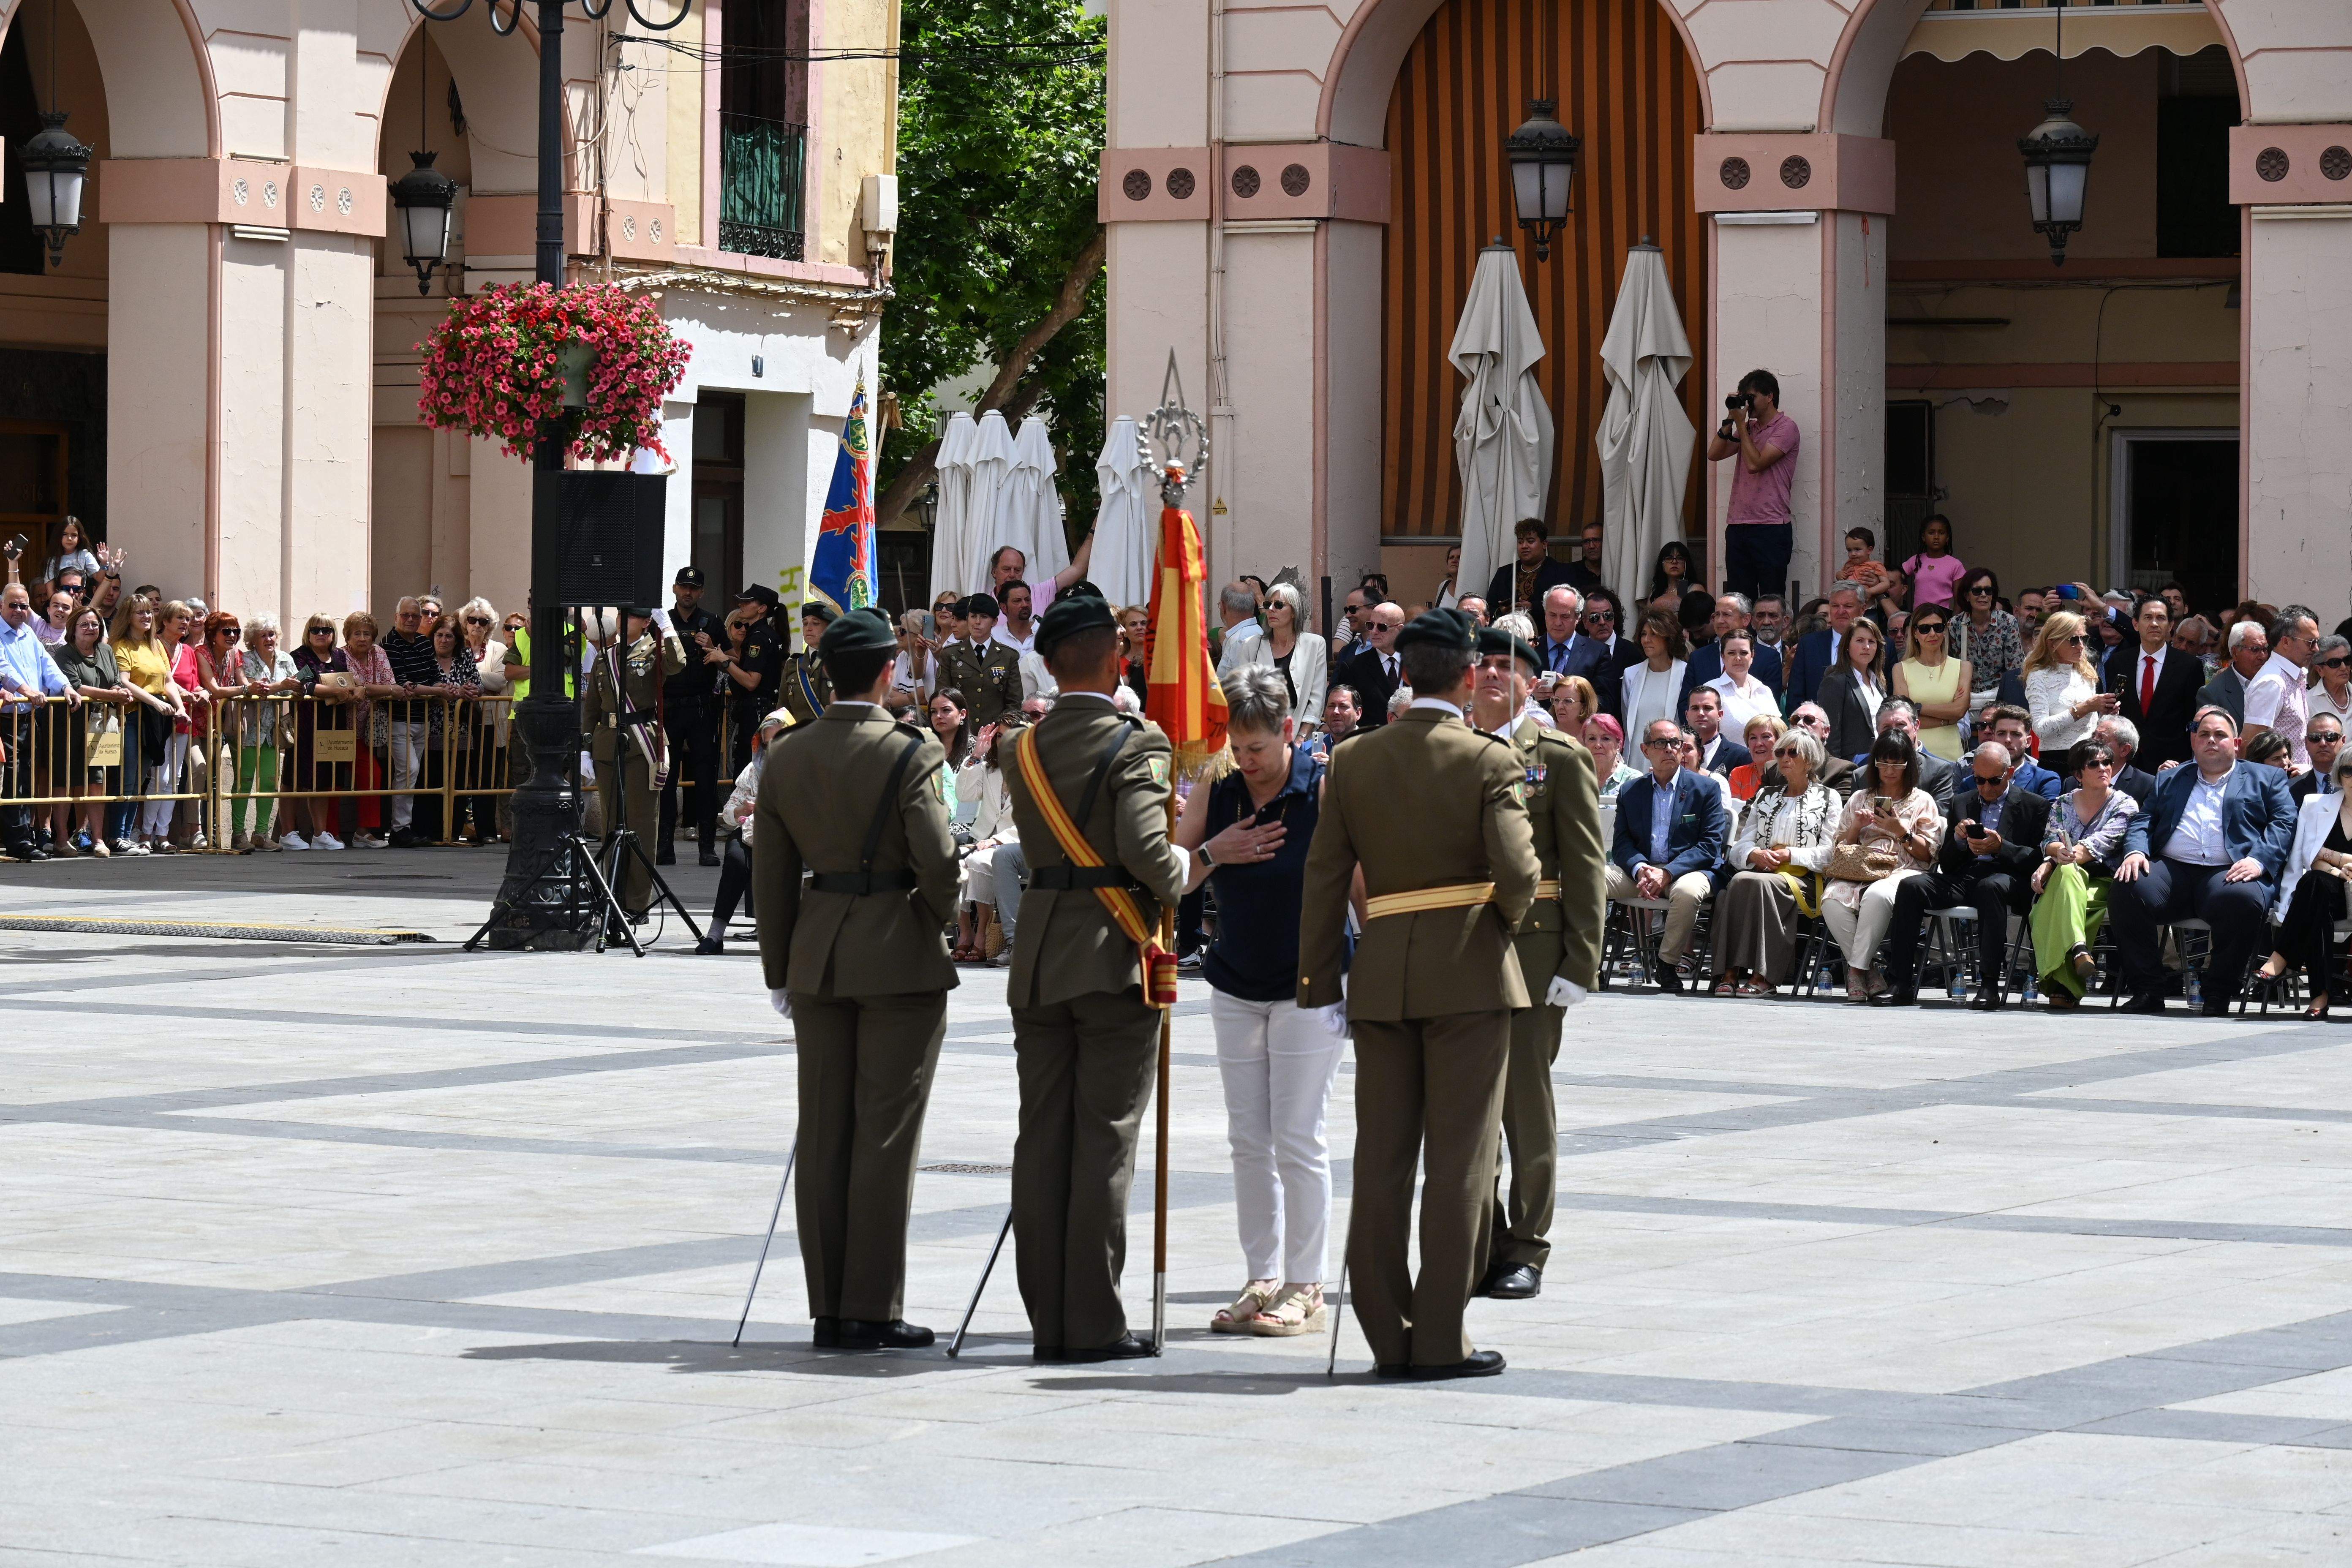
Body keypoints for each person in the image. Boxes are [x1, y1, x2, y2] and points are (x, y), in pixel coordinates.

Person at [1298, 607, 1537, 1380]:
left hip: (1381, 977)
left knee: (1381, 1162)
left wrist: (1318, 980)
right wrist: (1494, 926)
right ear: (1469, 676)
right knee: (1461, 1163)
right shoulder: (1487, 759)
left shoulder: (1354, 761)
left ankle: (1384, 1332)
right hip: (1468, 971)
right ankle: (1437, 1335)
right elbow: (1520, 873)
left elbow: (1324, 878)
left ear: (1403, 673)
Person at [753, 608, 958, 1351]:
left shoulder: (789, 755)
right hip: (895, 951)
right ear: (883, 673)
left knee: (825, 1132)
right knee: (885, 1135)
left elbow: (771, 880)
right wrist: (928, 920)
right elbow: (938, 864)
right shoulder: (910, 751)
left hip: (817, 952)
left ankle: (828, 1307)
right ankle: (871, 1307)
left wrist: (780, 965)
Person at [1002, 592, 1187, 1364]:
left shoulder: (1019, 746)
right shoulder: (1135, 742)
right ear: (1114, 656)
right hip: (1112, 954)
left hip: (1042, 952)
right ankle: (1092, 1319)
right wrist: (1196, 864)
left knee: (1042, 1137)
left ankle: (1048, 1311)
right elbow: (1151, 856)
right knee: (1104, 1139)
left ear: (1048, 661)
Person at [1171, 669, 1342, 1336]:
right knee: (1248, 1139)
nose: (1248, 762)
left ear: (1290, 733)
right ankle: (1262, 1276)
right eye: (1238, 749)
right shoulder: (1218, 786)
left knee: (1298, 1135)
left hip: (1310, 981)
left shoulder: (1322, 787)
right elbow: (1178, 874)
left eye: (1259, 750)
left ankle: (1306, 1283)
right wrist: (1220, 849)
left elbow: (1357, 879)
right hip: (1237, 980)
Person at [1461, 625, 1603, 1300]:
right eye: (1482, 664)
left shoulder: (1557, 756)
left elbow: (1583, 864)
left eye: (1506, 666)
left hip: (1533, 951)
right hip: (1460, 948)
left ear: (1532, 682)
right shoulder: (1453, 749)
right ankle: (1477, 1242)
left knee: (1523, 1105)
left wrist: (1581, 962)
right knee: (1467, 1108)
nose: (1491, 675)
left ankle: (1526, 1246)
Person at [2110, 707, 2297, 1015]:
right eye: (2204, 735)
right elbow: (2144, 819)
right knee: (2127, 887)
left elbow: (2285, 822)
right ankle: (2148, 990)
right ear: (2194, 742)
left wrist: (2259, 860)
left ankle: (2218, 994)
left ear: (2236, 744)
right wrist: (2135, 851)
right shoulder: (2169, 779)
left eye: (2220, 735)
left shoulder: (2268, 777)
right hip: (2172, 870)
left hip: (2232, 869)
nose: (2212, 741)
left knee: (2243, 899)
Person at [1876, 740, 2051, 1010]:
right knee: (1911, 887)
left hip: (2009, 877)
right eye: (1980, 780)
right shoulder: (1963, 801)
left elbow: (2037, 859)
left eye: (1994, 781)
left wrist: (2001, 847)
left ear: (2010, 774)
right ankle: (1900, 982)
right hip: (1966, 876)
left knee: (1991, 887)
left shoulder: (2033, 805)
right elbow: (1946, 860)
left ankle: (1989, 983)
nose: (1986, 788)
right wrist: (1957, 841)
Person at [1709, 728, 1840, 996]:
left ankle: (1762, 976)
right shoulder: (1766, 795)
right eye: (1780, 752)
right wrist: (1753, 855)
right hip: (1761, 874)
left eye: (1793, 753)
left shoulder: (1829, 798)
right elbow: (1741, 845)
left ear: (1811, 760)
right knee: (1737, 884)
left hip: (1803, 878)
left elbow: (1829, 854)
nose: (1784, 758)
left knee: (1751, 883)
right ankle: (1731, 973)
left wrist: (1791, 855)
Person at [583, 608, 686, 939]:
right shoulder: (606, 656)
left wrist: (667, 629)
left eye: (632, 617)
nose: (623, 621)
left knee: (640, 825)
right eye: (620, 616)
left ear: (645, 622)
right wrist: (586, 746)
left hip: (641, 743)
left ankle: (636, 903)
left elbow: (677, 665)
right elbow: (592, 705)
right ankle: (610, 895)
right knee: (612, 825)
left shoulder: (655, 650)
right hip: (607, 743)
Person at [1607, 717, 1729, 991]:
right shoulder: (1631, 791)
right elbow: (1623, 844)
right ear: (1645, 750)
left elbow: (1710, 845)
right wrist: (1641, 869)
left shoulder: (1705, 789)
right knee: (1591, 878)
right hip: (1643, 871)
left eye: (1676, 743)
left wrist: (1668, 872)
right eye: (1661, 743)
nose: (1671, 749)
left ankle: (1668, 964)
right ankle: (1585, 961)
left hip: (1690, 871)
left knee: (1687, 892)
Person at [1819, 731, 1943, 999]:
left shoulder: (1922, 801)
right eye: (1883, 762)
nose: (1889, 770)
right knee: (1830, 899)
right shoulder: (1860, 798)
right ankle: (1870, 969)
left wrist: (1901, 831)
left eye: (1897, 763)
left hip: (1903, 869)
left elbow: (1929, 855)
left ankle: (1855, 971)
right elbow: (1841, 847)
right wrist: (1856, 826)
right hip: (1859, 867)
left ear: (1909, 764)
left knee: (1877, 895)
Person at [2028, 739, 2139, 1008]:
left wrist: (2058, 859)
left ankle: (2062, 984)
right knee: (2067, 879)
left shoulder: (2126, 805)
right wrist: (2055, 853)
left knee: (2058, 897)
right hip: (2067, 875)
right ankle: (2078, 952)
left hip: (2104, 879)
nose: (2104, 768)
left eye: (2108, 762)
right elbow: (2049, 839)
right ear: (2078, 774)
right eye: (2094, 764)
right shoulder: (2063, 803)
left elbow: (2103, 842)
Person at [2254, 747, 2352, 1018]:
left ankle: (2282, 958)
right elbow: (2309, 856)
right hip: (2326, 889)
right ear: (2339, 775)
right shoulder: (2315, 805)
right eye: (2348, 770)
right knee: (2315, 890)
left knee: (2314, 892)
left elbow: (2322, 854)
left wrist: (2334, 857)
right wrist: (2336, 870)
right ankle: (2320, 994)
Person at [694, 708, 792, 955]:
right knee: (736, 858)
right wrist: (740, 811)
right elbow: (729, 813)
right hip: (752, 832)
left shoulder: (805, 768)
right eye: (768, 743)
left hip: (789, 835)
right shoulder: (753, 769)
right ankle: (716, 935)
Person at [1708, 368, 1799, 601]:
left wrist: (1743, 426)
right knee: (1740, 600)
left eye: (1751, 397)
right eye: (1744, 398)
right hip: (1739, 525)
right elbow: (1714, 454)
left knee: (1771, 600)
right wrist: (1730, 420)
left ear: (1769, 396)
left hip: (1771, 527)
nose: (1748, 404)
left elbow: (1755, 463)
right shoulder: (1748, 428)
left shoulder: (1786, 427)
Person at [657, 566, 725, 868]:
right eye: (684, 587)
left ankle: (707, 848)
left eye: (694, 588)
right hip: (669, 708)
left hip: (701, 709)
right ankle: (664, 846)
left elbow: (731, 659)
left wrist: (713, 648)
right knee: (666, 779)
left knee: (706, 779)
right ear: (675, 589)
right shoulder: (662, 623)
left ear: (701, 592)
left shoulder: (712, 622)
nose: (688, 592)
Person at [952, 719, 1022, 962]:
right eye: (1000, 736)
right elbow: (965, 795)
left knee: (979, 862)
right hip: (980, 837)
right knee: (953, 863)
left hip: (1012, 843)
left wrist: (998, 841)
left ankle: (982, 934)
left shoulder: (1035, 770)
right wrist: (975, 757)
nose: (1005, 741)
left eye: (1011, 735)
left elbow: (1034, 819)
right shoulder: (988, 767)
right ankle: (965, 933)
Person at [2105, 596, 2201, 769]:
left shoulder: (2189, 666)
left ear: (2171, 626)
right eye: (2148, 617)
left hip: (2172, 762)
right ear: (2136, 624)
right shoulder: (2118, 662)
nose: (2154, 624)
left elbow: (2192, 718)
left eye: (2161, 618)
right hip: (2126, 760)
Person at [237, 616, 306, 850]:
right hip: (248, 730)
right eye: (263, 635)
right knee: (244, 782)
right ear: (253, 640)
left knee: (268, 783)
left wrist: (299, 689)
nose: (269, 639)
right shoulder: (246, 659)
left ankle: (262, 834)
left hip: (274, 731)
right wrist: (284, 686)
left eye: (272, 634)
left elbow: (296, 685)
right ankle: (239, 834)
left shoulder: (286, 659)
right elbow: (257, 689)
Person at [378, 596, 438, 848]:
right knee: (409, 770)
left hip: (422, 719)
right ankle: (399, 828)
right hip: (399, 719)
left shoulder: (425, 643)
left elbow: (435, 675)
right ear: (396, 617)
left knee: (413, 772)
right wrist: (437, 691)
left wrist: (436, 688)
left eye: (416, 616)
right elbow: (404, 684)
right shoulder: (389, 644)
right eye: (406, 615)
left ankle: (405, 826)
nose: (412, 620)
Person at [1230, 582, 1328, 736]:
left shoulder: (1315, 644)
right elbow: (1243, 695)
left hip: (1300, 734)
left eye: (1279, 605)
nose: (1270, 610)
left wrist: (1301, 737)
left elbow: (1316, 699)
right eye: (1268, 604)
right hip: (1260, 733)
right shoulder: (1251, 645)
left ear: (1294, 612)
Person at [2021, 610, 2112, 762]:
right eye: (2074, 640)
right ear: (2052, 643)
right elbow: (2041, 729)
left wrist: (2105, 711)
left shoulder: (2087, 673)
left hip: (2090, 757)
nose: (2081, 646)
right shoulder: (2039, 676)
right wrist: (2085, 708)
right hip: (2058, 760)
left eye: (2084, 639)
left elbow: (2092, 726)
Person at [2244, 604, 2322, 770]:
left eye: (2317, 642)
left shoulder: (2294, 675)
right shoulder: (2272, 682)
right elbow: (2250, 745)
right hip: (2277, 787)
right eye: (2310, 642)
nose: (2316, 649)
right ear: (2286, 642)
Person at [1892, 604, 1971, 761]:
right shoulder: (1900, 669)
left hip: (1951, 754)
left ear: (1945, 632)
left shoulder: (1963, 667)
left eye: (1938, 627)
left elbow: (1959, 711)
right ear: (1915, 633)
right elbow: (1903, 716)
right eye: (1925, 629)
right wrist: (1947, 720)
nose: (1933, 634)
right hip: (1915, 755)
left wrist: (1917, 707)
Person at [937, 593, 1023, 729]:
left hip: (994, 734)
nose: (977, 622)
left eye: (984, 617)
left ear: (994, 622)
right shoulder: (950, 654)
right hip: (960, 732)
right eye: (973, 616)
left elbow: (1014, 702)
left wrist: (1000, 730)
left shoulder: (1008, 656)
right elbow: (943, 697)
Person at [1681, 593, 1785, 705]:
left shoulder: (1768, 658)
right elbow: (1685, 703)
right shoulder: (1699, 657)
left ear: (1746, 619)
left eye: (1726, 615)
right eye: (1717, 615)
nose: (1720, 620)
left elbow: (1770, 705)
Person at [1783, 583, 1868, 710]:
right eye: (1835, 606)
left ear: (1863, 609)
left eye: (1848, 606)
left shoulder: (1881, 646)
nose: (1841, 611)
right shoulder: (1809, 645)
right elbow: (1795, 699)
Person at [1815, 615, 1888, 763]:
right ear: (1847, 646)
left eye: (1872, 642)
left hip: (1881, 762)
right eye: (1860, 641)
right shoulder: (1835, 681)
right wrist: (1838, 773)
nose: (1866, 647)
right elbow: (1830, 737)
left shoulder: (1878, 681)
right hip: (1851, 766)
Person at [1949, 566, 2022, 702]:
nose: (1983, 595)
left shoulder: (2007, 622)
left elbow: (2015, 669)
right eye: (1977, 591)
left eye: (1988, 591)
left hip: (2000, 697)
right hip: (1963, 697)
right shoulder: (1955, 624)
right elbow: (1950, 667)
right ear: (1966, 596)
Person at [1618, 608, 1687, 748]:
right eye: (1644, 634)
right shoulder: (1631, 674)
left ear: (1668, 638)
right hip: (1636, 755)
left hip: (1670, 754)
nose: (1647, 640)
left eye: (1654, 634)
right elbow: (1627, 720)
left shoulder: (1685, 673)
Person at [1334, 602, 1406, 730]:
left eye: (1382, 627)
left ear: (1400, 630)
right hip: (1371, 743)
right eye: (1370, 625)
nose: (1374, 632)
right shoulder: (1353, 667)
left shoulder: (1421, 664)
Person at [1484, 518, 1576, 616]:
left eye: (1531, 541)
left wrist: (1534, 608)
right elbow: (1489, 609)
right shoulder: (1504, 573)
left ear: (1544, 544)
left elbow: (1569, 606)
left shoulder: (1562, 572)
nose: (1524, 546)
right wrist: (1501, 611)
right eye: (1520, 542)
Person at [1701, 627, 1778, 736]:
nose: (1738, 658)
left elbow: (1778, 731)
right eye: (1732, 653)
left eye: (1743, 653)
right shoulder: (1711, 690)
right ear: (1723, 656)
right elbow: (1705, 736)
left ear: (1752, 656)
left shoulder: (1764, 690)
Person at [2198, 619, 2268, 727]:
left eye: (2265, 649)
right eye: (2255, 650)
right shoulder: (2212, 694)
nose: (2263, 656)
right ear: (2235, 653)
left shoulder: (2273, 683)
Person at [778, 601, 838, 727]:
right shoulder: (793, 665)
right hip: (799, 741)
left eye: (816, 623)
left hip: (833, 740)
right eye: (805, 623)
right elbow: (782, 711)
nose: (808, 628)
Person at [1900, 514, 1968, 614]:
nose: (1936, 537)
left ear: (1947, 538)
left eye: (1941, 533)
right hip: (1918, 618)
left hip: (1942, 618)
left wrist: (1952, 623)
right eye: (1931, 533)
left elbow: (1959, 600)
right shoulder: (1916, 560)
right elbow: (1896, 578)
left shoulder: (1955, 565)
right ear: (1924, 537)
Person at [1534, 585, 1602, 684]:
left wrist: (1574, 695)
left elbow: (1605, 698)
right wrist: (1531, 695)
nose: (1558, 622)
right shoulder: (1531, 649)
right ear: (1545, 615)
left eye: (1565, 616)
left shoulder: (1597, 653)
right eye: (1552, 615)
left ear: (1578, 618)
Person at [1684, 687, 1748, 779]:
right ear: (1687, 715)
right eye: (1695, 708)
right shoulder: (1676, 753)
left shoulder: (1741, 756)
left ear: (1720, 715)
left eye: (1707, 708)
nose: (1701, 713)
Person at [1727, 714, 1785, 803]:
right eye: (1753, 738)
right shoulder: (1739, 774)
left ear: (1780, 741)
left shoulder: (1789, 774)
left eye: (1766, 737)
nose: (1758, 744)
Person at [2308, 634, 2352, 733]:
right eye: (2334, 663)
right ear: (2320, 670)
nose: (2344, 667)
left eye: (2347, 660)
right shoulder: (2308, 701)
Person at [2297, 716, 2346, 803]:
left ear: (2343, 741)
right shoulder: (2290, 788)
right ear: (2306, 743)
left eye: (2331, 737)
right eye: (2315, 737)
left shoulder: (2349, 782)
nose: (2323, 743)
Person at [1646, 540, 1694, 608]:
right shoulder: (1657, 590)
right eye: (1669, 558)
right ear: (1662, 563)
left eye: (1680, 558)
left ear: (1686, 563)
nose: (1674, 562)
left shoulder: (1692, 589)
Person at [1564, 523, 1606, 595]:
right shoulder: (1570, 572)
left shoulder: (1614, 572)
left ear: (1605, 542)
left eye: (1596, 540)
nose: (1591, 546)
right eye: (1586, 542)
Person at [1432, 543, 1463, 610]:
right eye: (1451, 557)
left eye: (1459, 558)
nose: (1454, 561)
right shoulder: (1444, 586)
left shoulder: (1472, 588)